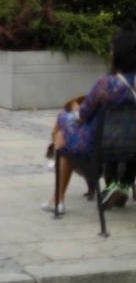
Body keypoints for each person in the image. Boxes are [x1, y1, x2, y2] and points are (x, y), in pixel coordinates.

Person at [44, 24, 136, 214]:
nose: (110, 53)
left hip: (98, 147)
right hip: (131, 148)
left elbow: (84, 115)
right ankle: (58, 191)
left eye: (112, 50)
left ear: (120, 53)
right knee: (65, 131)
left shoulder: (107, 83)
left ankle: (57, 198)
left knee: (63, 120)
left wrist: (75, 108)